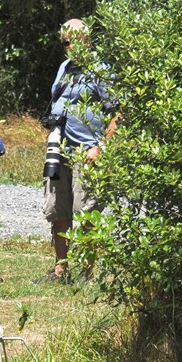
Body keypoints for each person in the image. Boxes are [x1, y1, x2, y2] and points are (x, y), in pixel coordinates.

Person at [40, 19, 120, 281]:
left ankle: (87, 273)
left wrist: (101, 146)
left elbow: (118, 112)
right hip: (59, 147)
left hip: (88, 150)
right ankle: (61, 269)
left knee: (86, 211)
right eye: (66, 41)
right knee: (58, 209)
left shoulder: (100, 69)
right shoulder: (64, 67)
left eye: (77, 39)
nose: (71, 45)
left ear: (88, 40)